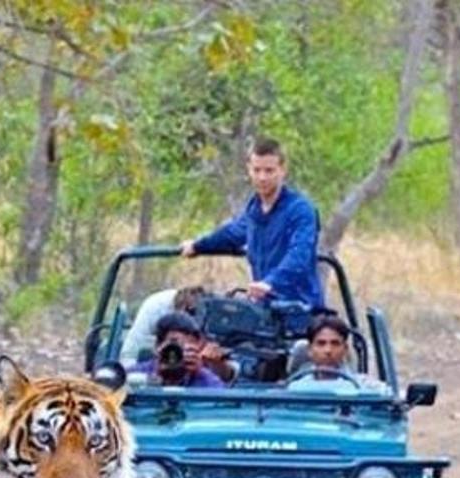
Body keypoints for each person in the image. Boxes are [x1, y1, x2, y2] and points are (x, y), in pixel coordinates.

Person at [180, 137, 324, 310]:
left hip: (300, 308)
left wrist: (271, 283)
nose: (262, 177)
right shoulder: (254, 209)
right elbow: (233, 234)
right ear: (249, 170)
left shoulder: (300, 210)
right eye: (257, 170)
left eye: (269, 171)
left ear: (283, 170)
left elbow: (299, 254)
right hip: (265, 309)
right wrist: (198, 245)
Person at [128, 311, 225, 388]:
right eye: (174, 345)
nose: (176, 353)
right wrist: (157, 375)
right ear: (157, 346)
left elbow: (220, 397)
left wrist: (200, 374)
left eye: (188, 347)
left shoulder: (207, 381)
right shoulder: (134, 375)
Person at [288, 315, 358, 394]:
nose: (328, 350)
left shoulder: (360, 387)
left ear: (345, 349)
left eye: (335, 343)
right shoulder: (296, 389)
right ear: (309, 349)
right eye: (321, 343)